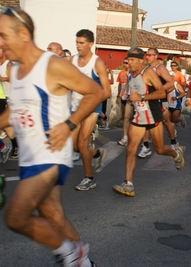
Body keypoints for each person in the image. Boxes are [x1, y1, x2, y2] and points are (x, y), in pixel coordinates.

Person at [0, 7, 103, 266]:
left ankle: (71, 253)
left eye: (3, 36)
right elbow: (15, 110)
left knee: (16, 216)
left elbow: (95, 92)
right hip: (28, 155)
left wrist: (69, 124)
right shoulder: (14, 69)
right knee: (53, 216)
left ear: (23, 34)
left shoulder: (53, 65)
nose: (0, 43)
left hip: (50, 154)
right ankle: (84, 263)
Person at [112, 48, 184, 197]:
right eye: (128, 60)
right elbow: (132, 93)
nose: (129, 63)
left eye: (132, 60)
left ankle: (176, 154)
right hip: (139, 116)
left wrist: (143, 96)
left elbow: (161, 92)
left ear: (140, 60)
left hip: (153, 115)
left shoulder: (148, 72)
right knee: (131, 149)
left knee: (159, 149)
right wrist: (129, 97)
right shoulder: (130, 75)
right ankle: (128, 184)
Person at [71, 29, 110, 191]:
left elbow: (106, 91)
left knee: (82, 142)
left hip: (92, 108)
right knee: (74, 146)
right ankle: (96, 154)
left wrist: (90, 102)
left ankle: (89, 179)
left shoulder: (97, 63)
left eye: (81, 43)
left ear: (90, 44)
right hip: (74, 107)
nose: (78, 46)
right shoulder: (72, 60)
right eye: (77, 42)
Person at [116, 57, 131, 146]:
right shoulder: (121, 73)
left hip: (133, 98)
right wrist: (118, 96)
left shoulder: (134, 72)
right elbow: (120, 84)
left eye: (126, 63)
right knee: (125, 117)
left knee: (130, 118)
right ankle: (125, 137)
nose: (125, 64)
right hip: (123, 97)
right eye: (124, 63)